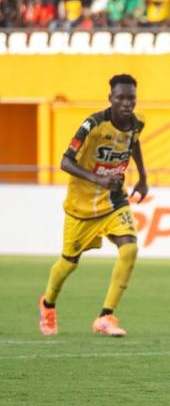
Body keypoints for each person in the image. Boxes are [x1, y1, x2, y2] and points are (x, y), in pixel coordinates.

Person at [38, 74, 149, 338]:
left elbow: (134, 144)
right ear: (110, 98)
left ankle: (105, 316)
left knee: (130, 248)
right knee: (68, 264)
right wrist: (98, 177)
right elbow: (65, 161)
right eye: (120, 98)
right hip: (81, 207)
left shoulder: (137, 123)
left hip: (114, 201)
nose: (126, 103)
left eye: (131, 98)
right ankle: (48, 303)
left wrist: (143, 178)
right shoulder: (93, 125)